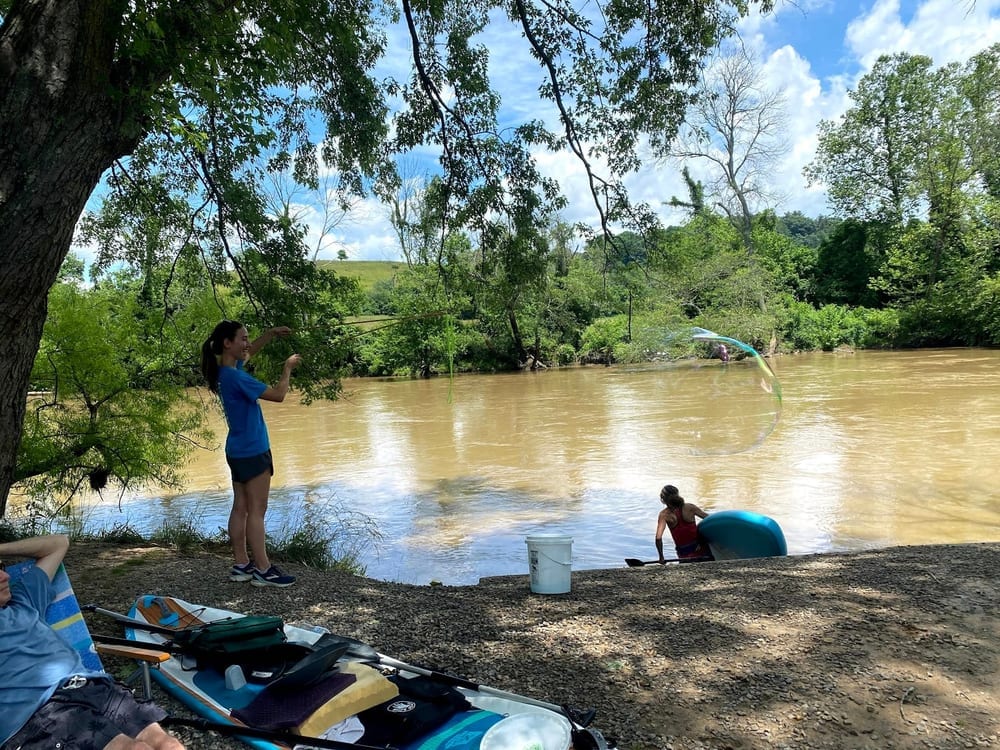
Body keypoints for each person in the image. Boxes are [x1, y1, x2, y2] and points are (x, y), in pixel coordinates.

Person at [0, 534, 186, 750]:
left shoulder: (24, 599)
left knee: (169, 744)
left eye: (1, 566)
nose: (5, 576)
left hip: (90, 686)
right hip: (38, 715)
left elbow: (59, 544)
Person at [201, 320, 302, 587]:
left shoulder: (224, 371)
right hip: (254, 449)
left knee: (241, 508)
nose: (247, 343)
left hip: (236, 449)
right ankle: (264, 569)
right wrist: (287, 368)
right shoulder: (239, 378)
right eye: (243, 338)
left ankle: (241, 565)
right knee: (257, 511)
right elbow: (278, 395)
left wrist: (270, 334)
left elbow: (249, 353)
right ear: (227, 343)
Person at [655, 484, 713, 563]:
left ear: (663, 499)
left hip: (684, 554)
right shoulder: (690, 507)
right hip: (702, 550)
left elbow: (658, 538)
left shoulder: (664, 515)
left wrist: (661, 557)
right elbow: (710, 519)